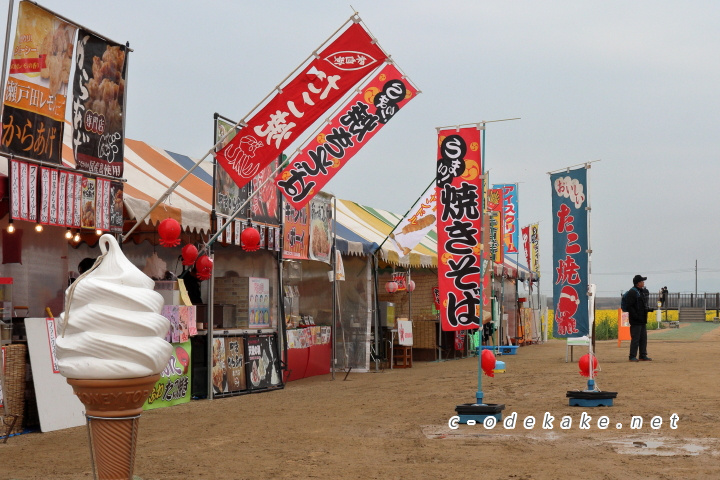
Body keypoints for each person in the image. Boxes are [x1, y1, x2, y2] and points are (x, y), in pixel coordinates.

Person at [622, 274, 653, 362]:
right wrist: (636, 316)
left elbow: (642, 305)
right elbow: (630, 306)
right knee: (636, 338)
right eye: (642, 281)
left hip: (642, 320)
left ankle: (643, 355)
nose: (643, 282)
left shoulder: (641, 292)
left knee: (643, 338)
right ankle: (632, 356)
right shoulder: (632, 292)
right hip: (636, 320)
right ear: (638, 283)